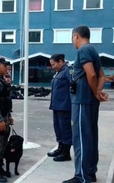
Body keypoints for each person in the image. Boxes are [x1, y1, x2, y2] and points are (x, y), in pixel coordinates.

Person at [63, 25, 108, 183]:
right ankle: (90, 172)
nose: (73, 42)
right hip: (89, 102)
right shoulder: (93, 50)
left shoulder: (83, 50)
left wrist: (95, 92)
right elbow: (103, 77)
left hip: (82, 101)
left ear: (76, 36)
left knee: (81, 139)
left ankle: (82, 176)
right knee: (90, 138)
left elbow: (92, 74)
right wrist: (98, 91)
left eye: (72, 39)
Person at [47, 54, 72, 162]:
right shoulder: (59, 72)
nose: (53, 67)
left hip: (65, 106)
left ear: (60, 61)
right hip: (57, 106)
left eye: (54, 64)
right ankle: (60, 148)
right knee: (58, 129)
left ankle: (66, 153)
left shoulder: (68, 70)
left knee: (65, 129)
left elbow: (74, 85)